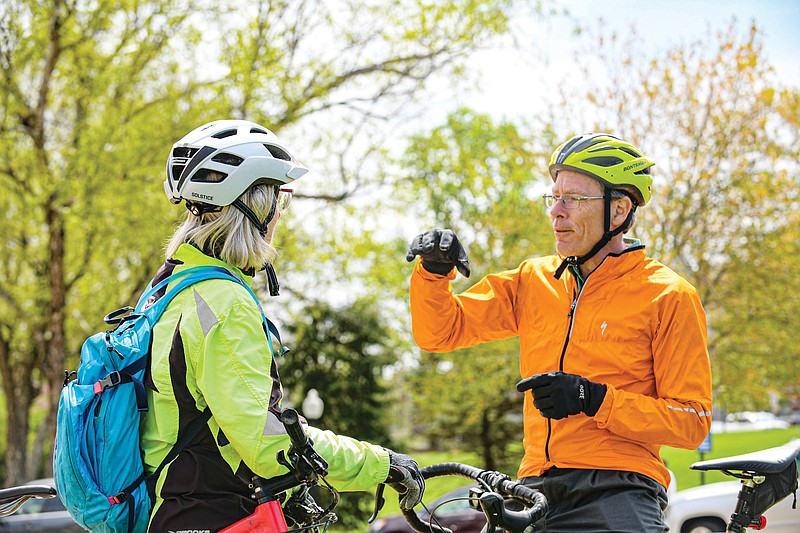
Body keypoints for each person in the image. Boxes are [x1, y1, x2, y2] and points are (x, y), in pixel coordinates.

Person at [405, 133, 712, 532]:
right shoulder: (534, 280)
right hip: (534, 488)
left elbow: (692, 421)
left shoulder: (668, 295)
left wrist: (594, 398)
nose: (557, 212)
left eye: (574, 199)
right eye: (554, 197)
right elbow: (441, 333)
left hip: (619, 486)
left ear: (618, 211)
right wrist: (432, 272)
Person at [140, 119, 424, 532]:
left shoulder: (167, 289)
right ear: (255, 207)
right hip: (215, 518)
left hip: (168, 513)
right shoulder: (222, 305)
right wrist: (382, 464)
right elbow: (269, 443)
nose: (279, 215)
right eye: (278, 200)